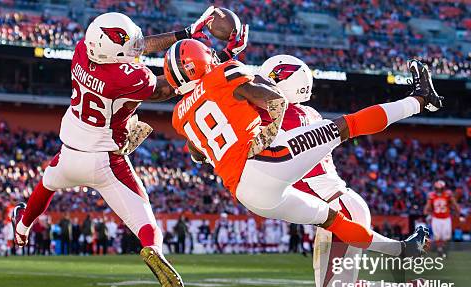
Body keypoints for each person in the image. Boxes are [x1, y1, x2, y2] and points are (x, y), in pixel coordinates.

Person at [10, 10, 248, 287]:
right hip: (105, 160)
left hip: (69, 153)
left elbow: (134, 46)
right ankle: (153, 248)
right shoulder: (128, 78)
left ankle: (22, 227)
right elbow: (169, 85)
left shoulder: (82, 51)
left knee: (47, 184)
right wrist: (217, 60)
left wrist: (185, 33)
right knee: (145, 219)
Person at [255, 54, 431, 287]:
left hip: (338, 213)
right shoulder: (303, 114)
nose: (262, 89)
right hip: (334, 211)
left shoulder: (287, 116)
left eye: (269, 82)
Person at [167, 40, 436, 259]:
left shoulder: (178, 116)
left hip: (247, 194)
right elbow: (275, 99)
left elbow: (198, 154)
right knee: (347, 125)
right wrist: (268, 134)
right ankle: (420, 100)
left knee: (333, 221)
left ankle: (402, 251)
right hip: (265, 162)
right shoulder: (224, 73)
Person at [423, 180, 461, 256]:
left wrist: (457, 210)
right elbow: (428, 206)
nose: (438, 190)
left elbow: (455, 204)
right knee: (437, 236)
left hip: (446, 218)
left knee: (446, 237)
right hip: (436, 218)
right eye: (437, 189)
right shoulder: (432, 196)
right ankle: (440, 249)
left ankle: (443, 248)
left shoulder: (448, 195)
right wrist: (426, 212)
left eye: (440, 189)